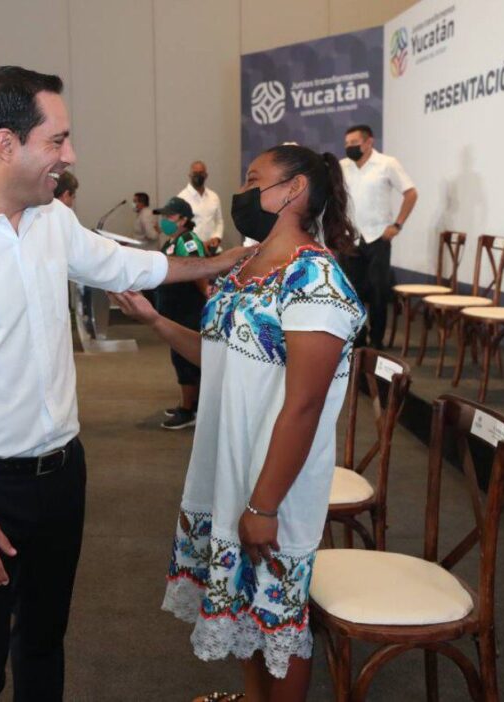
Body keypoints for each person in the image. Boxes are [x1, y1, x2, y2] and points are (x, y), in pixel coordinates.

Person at [0, 65, 245, 702]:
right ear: (6, 144)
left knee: (44, 646)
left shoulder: (50, 220)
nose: (69, 156)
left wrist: (222, 262)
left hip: (61, 477)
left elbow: (123, 264)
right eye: (58, 140)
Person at [112, 144, 365, 702]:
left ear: (293, 189)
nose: (242, 192)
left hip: (275, 478)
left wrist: (264, 506)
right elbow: (219, 356)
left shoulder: (316, 280)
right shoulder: (244, 268)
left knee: (278, 618)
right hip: (230, 465)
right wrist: (155, 321)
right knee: (246, 614)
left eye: (255, 180)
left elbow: (305, 405)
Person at [340, 124, 418, 349]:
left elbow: (411, 193)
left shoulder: (387, 164)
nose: (349, 147)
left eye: (354, 143)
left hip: (378, 238)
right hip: (350, 238)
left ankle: (376, 341)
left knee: (378, 292)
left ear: (368, 142)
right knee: (350, 293)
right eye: (346, 144)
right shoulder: (342, 166)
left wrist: (397, 225)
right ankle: (358, 338)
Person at [152, 196, 208, 430]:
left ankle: (188, 410)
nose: (165, 220)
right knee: (180, 357)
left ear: (184, 220)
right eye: (163, 216)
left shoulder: (188, 240)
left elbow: (198, 270)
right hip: (174, 310)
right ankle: (191, 403)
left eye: (170, 216)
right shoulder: (172, 241)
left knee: (185, 359)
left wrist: (207, 294)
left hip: (188, 310)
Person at [179, 160, 224, 252]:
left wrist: (217, 237)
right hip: (191, 251)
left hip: (213, 249)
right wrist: (199, 244)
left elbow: (219, 221)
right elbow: (179, 228)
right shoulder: (181, 198)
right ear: (189, 175)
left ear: (206, 175)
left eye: (201, 173)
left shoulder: (214, 196)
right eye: (195, 173)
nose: (198, 176)